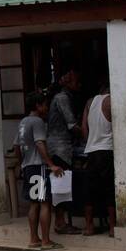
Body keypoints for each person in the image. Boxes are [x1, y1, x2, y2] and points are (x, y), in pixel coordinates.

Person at [15, 91, 66, 250]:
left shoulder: (23, 122)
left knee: (34, 203)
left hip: (28, 166)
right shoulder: (37, 122)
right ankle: (45, 241)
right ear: (38, 105)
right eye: (44, 105)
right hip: (39, 166)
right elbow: (40, 144)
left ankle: (33, 238)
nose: (46, 108)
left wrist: (22, 163)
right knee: (45, 203)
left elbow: (16, 146)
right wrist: (51, 164)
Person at [46, 69, 81, 234]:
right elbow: (71, 124)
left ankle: (61, 221)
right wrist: (87, 133)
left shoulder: (61, 97)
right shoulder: (62, 98)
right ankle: (60, 222)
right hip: (60, 148)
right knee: (61, 186)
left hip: (59, 146)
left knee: (62, 185)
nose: (78, 85)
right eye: (75, 81)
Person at [81, 84, 115, 237]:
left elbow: (84, 127)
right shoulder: (111, 101)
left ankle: (89, 226)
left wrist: (90, 142)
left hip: (92, 152)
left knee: (90, 190)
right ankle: (113, 227)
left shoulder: (89, 102)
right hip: (107, 150)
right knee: (109, 189)